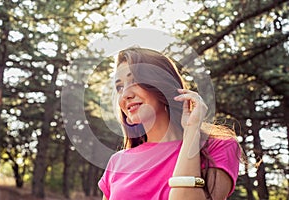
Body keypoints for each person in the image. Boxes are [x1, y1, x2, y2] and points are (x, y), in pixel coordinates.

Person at [98, 47, 241, 200]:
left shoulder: (217, 147)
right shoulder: (117, 163)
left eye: (135, 81)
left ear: (161, 85)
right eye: (119, 87)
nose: (126, 94)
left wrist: (192, 131)